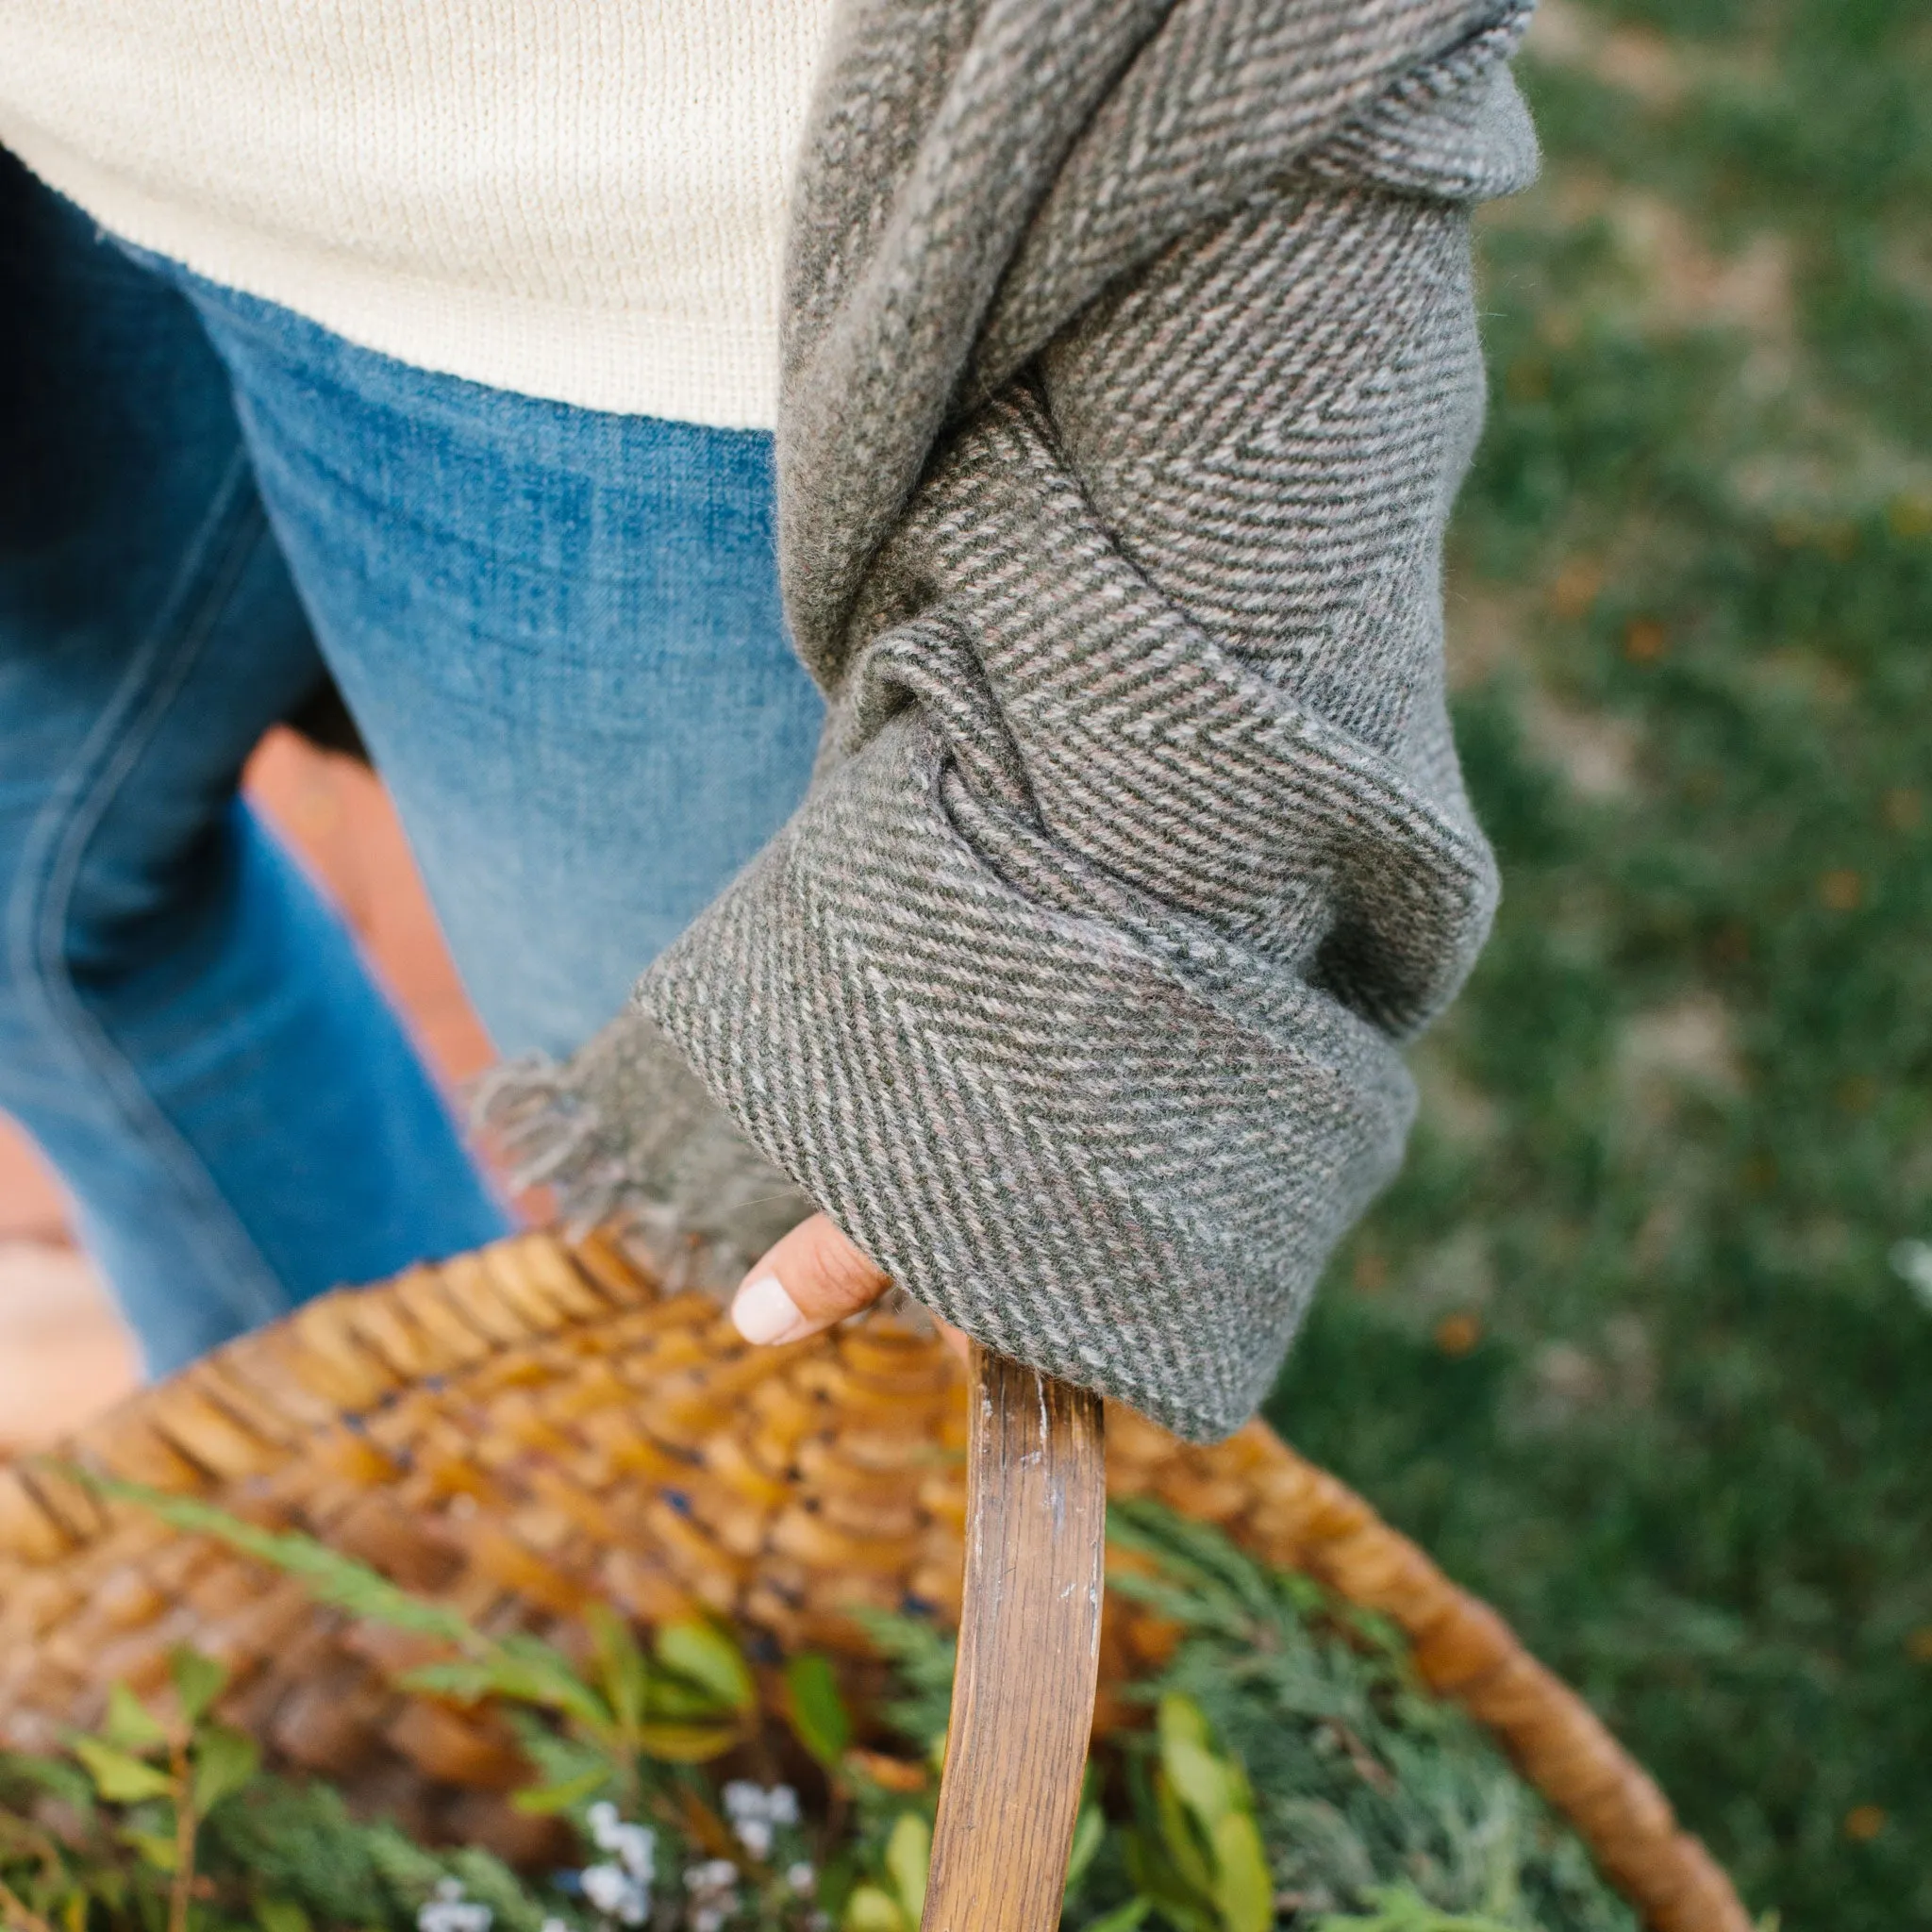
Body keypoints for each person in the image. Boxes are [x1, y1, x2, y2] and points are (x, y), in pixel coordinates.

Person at [0, 0, 1537, 1439]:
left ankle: (642, 1579)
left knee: (783, 1214)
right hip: (52, 133)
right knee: (33, 906)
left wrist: (1146, 830)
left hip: (642, 282)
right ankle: (377, 1488)